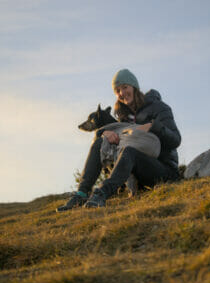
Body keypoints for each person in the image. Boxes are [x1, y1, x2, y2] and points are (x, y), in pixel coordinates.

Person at [56, 69, 181, 211]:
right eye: (117, 90)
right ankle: (81, 194)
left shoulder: (159, 107)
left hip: (163, 171)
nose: (122, 93)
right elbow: (115, 143)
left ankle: (101, 193)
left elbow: (176, 140)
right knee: (100, 141)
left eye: (125, 87)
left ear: (134, 87)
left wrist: (153, 126)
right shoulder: (124, 116)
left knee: (130, 151)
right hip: (137, 175)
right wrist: (106, 133)